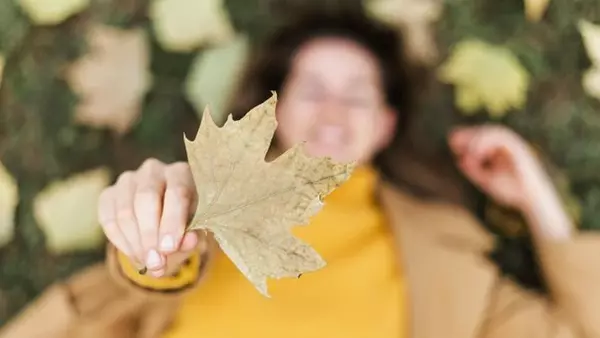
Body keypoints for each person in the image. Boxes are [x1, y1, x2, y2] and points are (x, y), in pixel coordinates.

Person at [2, 8, 600, 338]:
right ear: (276, 108)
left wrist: (538, 202)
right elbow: (163, 264)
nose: (335, 110)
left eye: (357, 94)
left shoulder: (448, 257)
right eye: (312, 89)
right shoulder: (210, 199)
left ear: (386, 125)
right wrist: (155, 235)